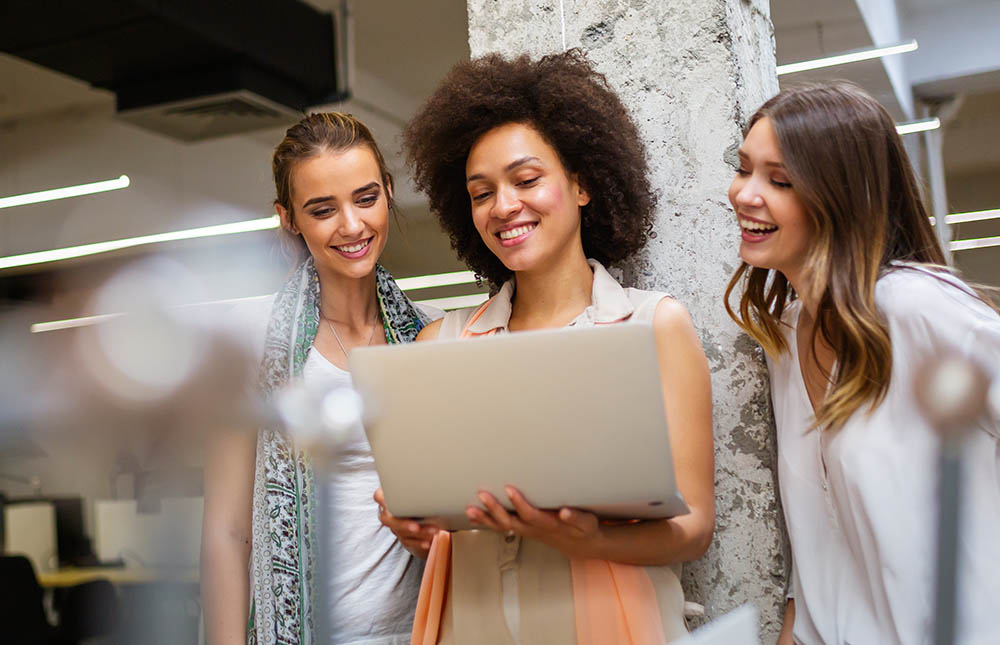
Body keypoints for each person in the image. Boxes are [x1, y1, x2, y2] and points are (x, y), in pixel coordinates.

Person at [376, 50, 715, 644]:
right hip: (474, 622)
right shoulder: (442, 344)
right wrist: (414, 525)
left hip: (609, 619)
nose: (504, 206)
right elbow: (435, 523)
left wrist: (592, 539)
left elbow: (695, 527)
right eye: (482, 194)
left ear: (582, 183)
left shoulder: (652, 325)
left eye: (527, 180)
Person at [725, 82, 1000, 644]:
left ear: (841, 197)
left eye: (780, 181)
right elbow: (823, 546)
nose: (745, 195)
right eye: (743, 168)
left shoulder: (916, 307)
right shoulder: (787, 334)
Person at [201, 112, 441, 645]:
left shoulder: (429, 337)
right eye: (322, 209)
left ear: (388, 192)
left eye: (365, 198)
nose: (352, 225)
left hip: (416, 633)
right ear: (289, 219)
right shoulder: (250, 339)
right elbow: (227, 530)